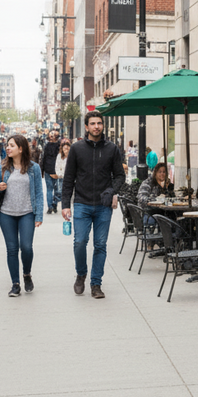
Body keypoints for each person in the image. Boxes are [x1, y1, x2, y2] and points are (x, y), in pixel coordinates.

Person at [61, 110, 125, 299]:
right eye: (93, 123)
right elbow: (69, 178)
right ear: (87, 126)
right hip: (82, 203)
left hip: (103, 206)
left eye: (99, 123)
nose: (97, 126)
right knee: (80, 242)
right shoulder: (76, 148)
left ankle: (96, 284)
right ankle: (81, 274)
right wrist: (66, 204)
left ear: (102, 125)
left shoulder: (112, 149)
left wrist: (111, 190)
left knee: (100, 245)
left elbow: (120, 176)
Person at [0, 134, 44, 297]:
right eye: (7, 145)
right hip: (6, 214)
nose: (8, 148)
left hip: (27, 213)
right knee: (12, 249)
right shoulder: (2, 167)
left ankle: (27, 274)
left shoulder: (34, 167)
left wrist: (39, 215)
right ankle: (15, 283)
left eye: (12, 145)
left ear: (21, 149)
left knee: (26, 247)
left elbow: (38, 192)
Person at [40, 130, 61, 215]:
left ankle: (50, 207)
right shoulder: (59, 146)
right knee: (57, 189)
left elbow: (43, 158)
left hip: (48, 169)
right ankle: (54, 204)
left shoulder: (46, 146)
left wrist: (42, 169)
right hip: (56, 169)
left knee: (49, 189)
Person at [53, 139, 71, 209]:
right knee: (59, 191)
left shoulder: (71, 156)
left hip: (69, 177)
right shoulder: (59, 156)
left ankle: (65, 206)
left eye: (67, 148)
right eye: (65, 148)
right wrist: (59, 174)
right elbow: (57, 166)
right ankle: (55, 202)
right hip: (61, 177)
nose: (66, 150)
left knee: (67, 193)